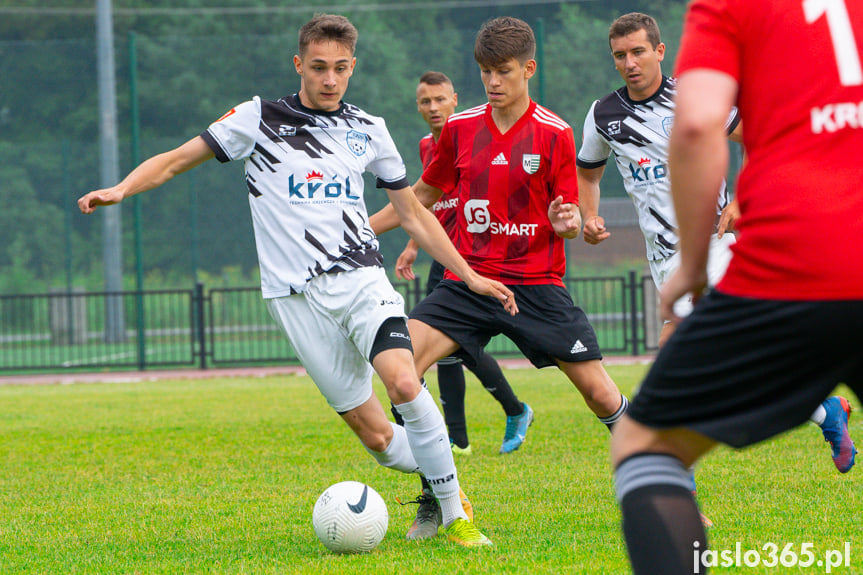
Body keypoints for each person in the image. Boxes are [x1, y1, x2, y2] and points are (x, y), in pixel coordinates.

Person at [77, 14, 511, 547]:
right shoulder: (257, 118)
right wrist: (122, 189)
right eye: (319, 68)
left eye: (341, 69)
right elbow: (175, 161)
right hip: (296, 299)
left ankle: (455, 517)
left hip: (361, 281)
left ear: (353, 67)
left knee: (402, 381)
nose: (330, 79)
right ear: (299, 64)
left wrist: (468, 275)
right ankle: (438, 477)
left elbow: (414, 213)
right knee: (376, 436)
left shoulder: (369, 129)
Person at [610, 1, 863, 573]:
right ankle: (827, 412)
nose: (628, 62)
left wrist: (694, 263)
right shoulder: (603, 117)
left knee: (645, 446)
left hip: (798, 261)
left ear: (658, 51)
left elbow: (698, 126)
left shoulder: (733, 7)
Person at [371, 16, 629, 535]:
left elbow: (570, 219)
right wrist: (358, 229)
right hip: (468, 281)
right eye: (486, 71)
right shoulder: (462, 128)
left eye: (504, 71)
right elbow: (421, 197)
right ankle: (437, 495)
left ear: (528, 69)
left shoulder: (554, 134)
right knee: (401, 372)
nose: (493, 82)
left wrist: (568, 221)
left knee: (602, 395)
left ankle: (671, 491)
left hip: (536, 284)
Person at [394, 71, 533, 458]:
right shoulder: (427, 146)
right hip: (445, 258)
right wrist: (411, 246)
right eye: (426, 102)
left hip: (477, 258)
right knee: (448, 352)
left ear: (455, 100)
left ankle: (511, 411)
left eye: (440, 100)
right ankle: (461, 438)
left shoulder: (476, 137)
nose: (434, 108)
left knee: (458, 348)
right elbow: (427, 201)